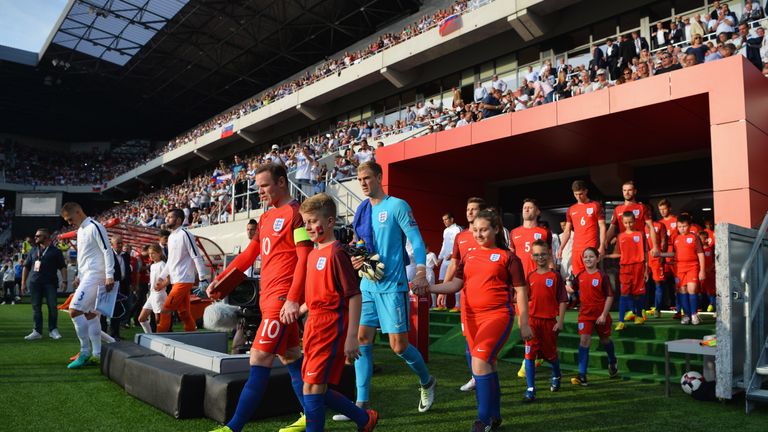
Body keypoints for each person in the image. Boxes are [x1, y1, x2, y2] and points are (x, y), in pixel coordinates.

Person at [207, 163, 313, 432]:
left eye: (264, 185)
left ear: (281, 182)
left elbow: (304, 260)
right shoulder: (266, 218)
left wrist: (292, 299)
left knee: (258, 358)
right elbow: (248, 256)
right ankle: (331, 416)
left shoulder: (297, 214)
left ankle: (234, 427)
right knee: (290, 357)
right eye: (258, 186)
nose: (260, 191)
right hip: (267, 298)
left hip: (280, 302)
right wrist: (221, 279)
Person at [345, 161, 436, 418]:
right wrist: (357, 259)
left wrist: (420, 272)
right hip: (368, 284)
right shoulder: (362, 210)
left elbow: (417, 241)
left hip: (393, 286)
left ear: (380, 177)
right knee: (363, 340)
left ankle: (427, 381)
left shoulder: (397, 205)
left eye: (367, 178)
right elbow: (360, 245)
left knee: (398, 346)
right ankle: (361, 403)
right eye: (359, 179)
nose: (363, 183)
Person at [428, 209, 532, 431]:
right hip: (472, 318)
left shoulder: (509, 258)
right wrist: (429, 288)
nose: (478, 234)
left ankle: (482, 420)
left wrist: (524, 324)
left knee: (480, 363)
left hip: (497, 316)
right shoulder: (469, 255)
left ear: (496, 229)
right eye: (475, 230)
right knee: (487, 365)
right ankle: (494, 416)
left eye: (483, 229)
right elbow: (455, 285)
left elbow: (521, 292)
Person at [295, 193, 379, 431]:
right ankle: (364, 419)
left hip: (331, 325)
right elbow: (317, 294)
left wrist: (352, 336)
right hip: (313, 323)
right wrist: (300, 308)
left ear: (330, 222)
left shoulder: (337, 252)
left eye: (313, 221)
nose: (308, 227)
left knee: (312, 386)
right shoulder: (313, 253)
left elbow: (354, 295)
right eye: (305, 222)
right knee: (313, 385)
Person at [60, 202, 115, 369]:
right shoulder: (81, 230)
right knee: (91, 315)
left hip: (96, 275)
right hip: (87, 276)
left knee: (74, 310)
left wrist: (109, 275)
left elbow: (107, 250)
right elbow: (84, 256)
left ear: (78, 211)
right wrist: (79, 275)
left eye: (70, 219)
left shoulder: (94, 226)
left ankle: (84, 352)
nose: (69, 222)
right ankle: (97, 354)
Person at [444, 197, 486, 392]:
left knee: (485, 342)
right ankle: (475, 378)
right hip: (466, 297)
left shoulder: (489, 235)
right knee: (469, 340)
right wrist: (444, 286)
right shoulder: (460, 237)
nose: (469, 212)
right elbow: (454, 263)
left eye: (474, 209)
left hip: (487, 297)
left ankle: (486, 377)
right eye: (468, 209)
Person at [510, 198, 551, 378]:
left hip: (539, 282)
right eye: (524, 207)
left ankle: (528, 360)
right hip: (519, 285)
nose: (526, 210)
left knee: (535, 322)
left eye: (530, 207)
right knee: (523, 323)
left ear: (537, 211)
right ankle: (536, 354)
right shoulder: (514, 233)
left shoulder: (544, 232)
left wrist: (553, 278)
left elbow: (550, 259)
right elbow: (510, 258)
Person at [522, 240, 567, 403]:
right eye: (536, 254)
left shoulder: (555, 276)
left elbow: (563, 300)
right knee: (529, 355)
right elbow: (524, 300)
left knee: (550, 355)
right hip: (533, 322)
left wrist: (560, 321)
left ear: (549, 254)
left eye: (543, 254)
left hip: (549, 322)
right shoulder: (530, 276)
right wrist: (524, 323)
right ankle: (530, 389)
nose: (540, 257)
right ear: (532, 256)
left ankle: (556, 374)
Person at [566, 247, 618, 386]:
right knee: (584, 341)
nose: (588, 259)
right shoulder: (580, 275)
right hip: (585, 315)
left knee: (605, 340)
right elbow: (572, 289)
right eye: (585, 257)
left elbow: (609, 296)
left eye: (591, 256)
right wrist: (562, 283)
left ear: (597, 258)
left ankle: (612, 361)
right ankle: (582, 375)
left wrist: (603, 315)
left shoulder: (602, 276)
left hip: (601, 315)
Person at [155, 208, 209, 333]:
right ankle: (191, 334)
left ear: (178, 220)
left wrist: (203, 278)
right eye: (167, 216)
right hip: (176, 280)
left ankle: (159, 337)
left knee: (165, 309)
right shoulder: (171, 236)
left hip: (183, 280)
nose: (166, 219)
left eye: (170, 217)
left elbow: (196, 255)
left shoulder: (185, 234)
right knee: (184, 313)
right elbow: (170, 261)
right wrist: (161, 277)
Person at [21, 228, 67, 340]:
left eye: (38, 236)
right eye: (36, 235)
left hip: (50, 283)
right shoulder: (32, 250)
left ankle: (53, 330)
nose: (35, 237)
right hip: (35, 283)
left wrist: (65, 281)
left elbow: (62, 267)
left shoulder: (56, 251)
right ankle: (37, 331)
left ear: (46, 237)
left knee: (52, 306)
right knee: (36, 307)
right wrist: (23, 283)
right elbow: (26, 267)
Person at [605, 212, 648, 331]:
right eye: (625, 223)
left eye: (630, 222)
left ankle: (639, 316)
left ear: (635, 221)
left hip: (638, 267)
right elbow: (618, 253)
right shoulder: (620, 236)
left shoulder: (641, 235)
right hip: (625, 267)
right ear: (622, 223)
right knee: (624, 293)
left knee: (638, 294)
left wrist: (646, 269)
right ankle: (621, 321)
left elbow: (645, 253)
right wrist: (606, 256)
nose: (628, 225)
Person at [661, 214, 706, 325]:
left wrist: (702, 270)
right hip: (680, 268)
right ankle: (686, 314)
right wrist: (660, 254)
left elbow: (701, 254)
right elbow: (674, 253)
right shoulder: (676, 238)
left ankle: (694, 314)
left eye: (684, 226)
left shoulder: (694, 237)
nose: (682, 228)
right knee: (682, 291)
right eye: (680, 226)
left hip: (693, 266)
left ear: (689, 226)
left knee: (692, 289)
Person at [557, 180, 606, 277]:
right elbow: (567, 231)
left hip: (591, 247)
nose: (578, 197)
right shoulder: (571, 209)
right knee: (578, 278)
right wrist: (561, 248)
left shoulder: (595, 205)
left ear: (586, 191)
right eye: (576, 194)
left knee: (592, 277)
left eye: (581, 194)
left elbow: (602, 226)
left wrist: (602, 246)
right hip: (576, 250)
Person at [435, 212, 461, 311]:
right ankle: (442, 304)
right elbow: (444, 245)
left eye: (446, 219)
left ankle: (458, 305)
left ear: (452, 219)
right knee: (442, 280)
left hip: (454, 259)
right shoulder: (445, 231)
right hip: (445, 260)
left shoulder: (457, 229)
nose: (444, 221)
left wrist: (452, 253)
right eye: (443, 220)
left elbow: (457, 243)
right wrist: (440, 258)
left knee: (455, 281)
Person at [138, 244, 167, 334]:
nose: (151, 255)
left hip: (159, 294)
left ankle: (161, 339)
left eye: (153, 253)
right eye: (150, 254)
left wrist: (161, 286)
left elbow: (169, 279)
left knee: (158, 320)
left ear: (159, 253)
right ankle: (150, 336)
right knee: (141, 319)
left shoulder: (163, 265)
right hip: (152, 294)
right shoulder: (152, 265)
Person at [645, 219, 668, 318]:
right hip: (645, 258)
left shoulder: (659, 225)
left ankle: (657, 309)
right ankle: (642, 309)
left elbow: (664, 241)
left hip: (656, 257)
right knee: (642, 283)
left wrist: (662, 256)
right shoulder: (642, 226)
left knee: (658, 283)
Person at [698, 230, 716, 313]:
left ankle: (712, 305)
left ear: (706, 240)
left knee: (711, 291)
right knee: (701, 290)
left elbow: (715, 261)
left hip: (710, 274)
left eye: (700, 239)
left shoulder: (710, 249)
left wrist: (711, 268)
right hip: (701, 274)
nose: (699, 241)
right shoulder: (698, 251)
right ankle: (702, 306)